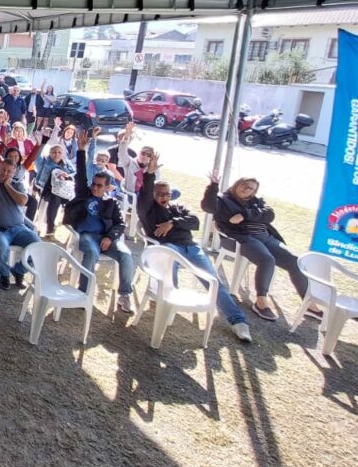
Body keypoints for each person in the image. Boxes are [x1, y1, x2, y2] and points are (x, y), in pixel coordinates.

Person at [136, 153, 251, 342]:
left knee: (213, 281)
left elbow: (194, 220)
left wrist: (172, 222)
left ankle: (238, 321)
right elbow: (145, 193)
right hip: (168, 247)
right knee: (169, 279)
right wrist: (150, 172)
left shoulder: (177, 208)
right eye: (159, 194)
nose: (164, 197)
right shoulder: (147, 208)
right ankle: (167, 303)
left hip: (191, 247)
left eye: (167, 194)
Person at [202, 173, 321, 322]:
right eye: (244, 185)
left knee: (295, 260)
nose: (246, 190)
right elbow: (208, 207)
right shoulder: (222, 200)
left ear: (254, 192)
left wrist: (244, 214)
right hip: (241, 238)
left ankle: (308, 303)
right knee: (266, 259)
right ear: (236, 185)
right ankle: (261, 301)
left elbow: (269, 214)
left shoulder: (256, 201)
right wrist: (212, 187)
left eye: (251, 188)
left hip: (266, 237)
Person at [63, 129, 136, 313]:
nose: (95, 187)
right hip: (87, 235)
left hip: (105, 237)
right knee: (92, 254)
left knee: (126, 255)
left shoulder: (110, 202)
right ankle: (84, 293)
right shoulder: (84, 194)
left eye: (99, 185)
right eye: (93, 184)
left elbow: (120, 223)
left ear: (107, 188)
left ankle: (125, 295)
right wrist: (81, 150)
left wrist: (111, 237)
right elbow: (81, 173)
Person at [0, 120, 40, 289]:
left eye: (9, 172)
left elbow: (23, 201)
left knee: (38, 246)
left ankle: (18, 270)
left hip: (19, 228)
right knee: (1, 249)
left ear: (13, 173)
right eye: (2, 170)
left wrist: (7, 185)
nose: (4, 173)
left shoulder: (17, 184)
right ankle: (4, 274)